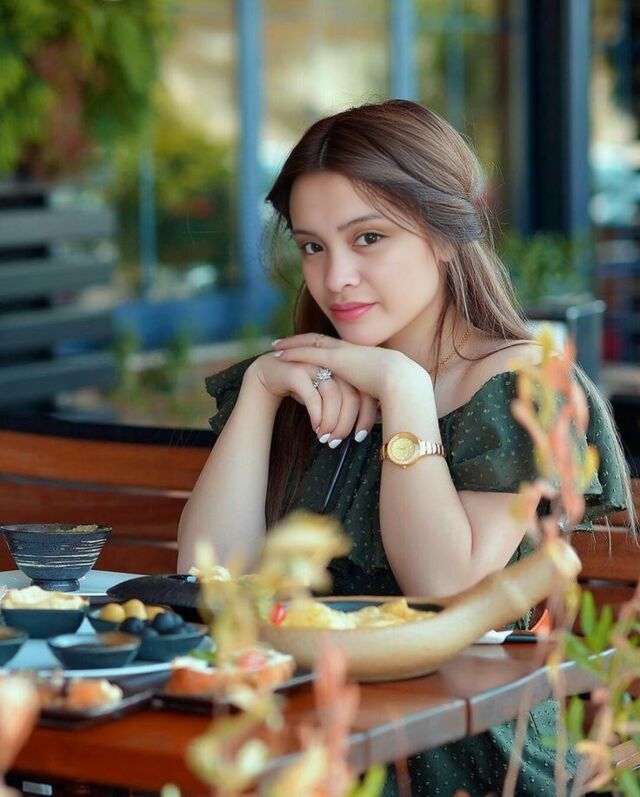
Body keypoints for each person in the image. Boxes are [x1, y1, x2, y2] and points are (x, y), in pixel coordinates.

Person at [177, 100, 632, 795]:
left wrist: (404, 389)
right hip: (297, 734)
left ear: (446, 236)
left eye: (368, 238)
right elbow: (208, 575)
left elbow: (443, 592)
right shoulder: (311, 380)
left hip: (454, 752)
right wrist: (263, 389)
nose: (335, 278)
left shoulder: (518, 386)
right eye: (312, 246)